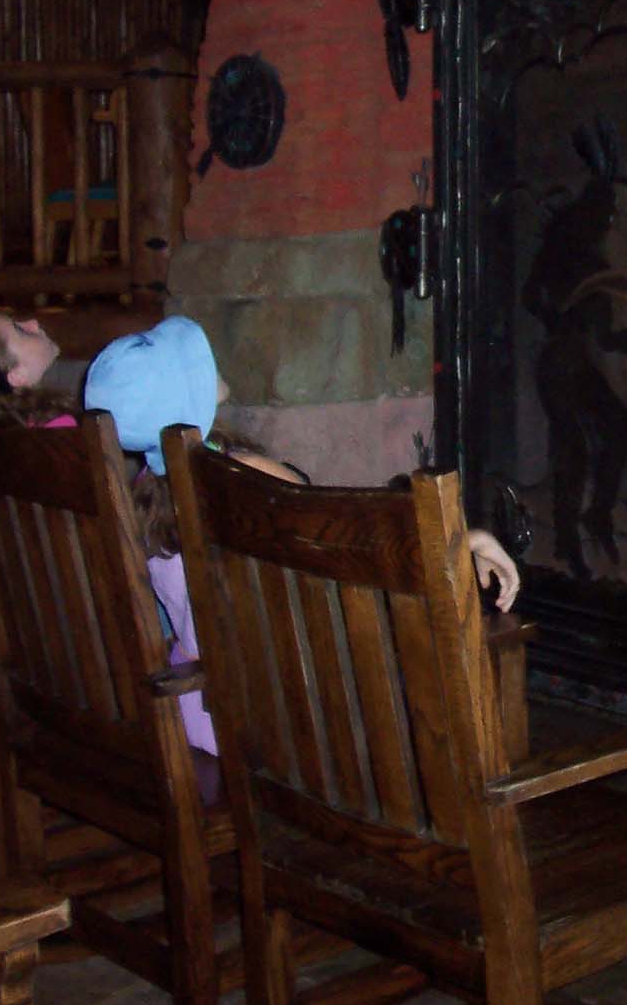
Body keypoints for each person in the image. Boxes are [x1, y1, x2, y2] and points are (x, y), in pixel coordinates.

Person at [83, 315, 520, 757]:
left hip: (198, 707)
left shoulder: (145, 490)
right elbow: (346, 538)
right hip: (278, 722)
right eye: (196, 362)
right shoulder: (237, 476)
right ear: (185, 395)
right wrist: (462, 541)